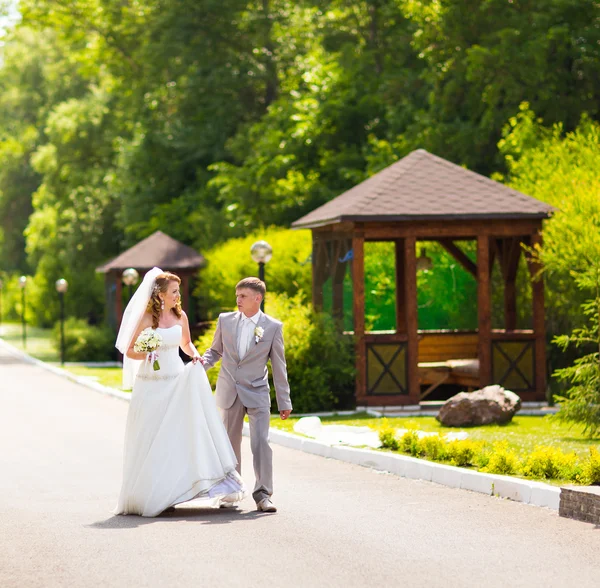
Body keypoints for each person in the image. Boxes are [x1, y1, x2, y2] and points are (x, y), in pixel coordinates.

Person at [114, 267, 246, 517]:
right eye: (173, 291)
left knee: (174, 436)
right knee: (152, 436)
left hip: (175, 382)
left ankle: (171, 490)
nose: (177, 295)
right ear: (160, 294)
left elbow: (185, 343)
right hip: (151, 385)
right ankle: (151, 493)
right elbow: (129, 350)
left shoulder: (181, 316)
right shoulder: (146, 317)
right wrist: (146, 351)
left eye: (177, 291)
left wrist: (195, 357)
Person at [202, 277, 292, 513]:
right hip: (229, 390)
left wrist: (284, 401)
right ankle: (231, 490)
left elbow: (279, 366)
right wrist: (199, 366)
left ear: (257, 298)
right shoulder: (225, 320)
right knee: (229, 443)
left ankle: (263, 494)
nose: (238, 300)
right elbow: (215, 351)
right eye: (237, 295)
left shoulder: (272, 327)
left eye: (243, 296)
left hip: (258, 391)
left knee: (261, 442)